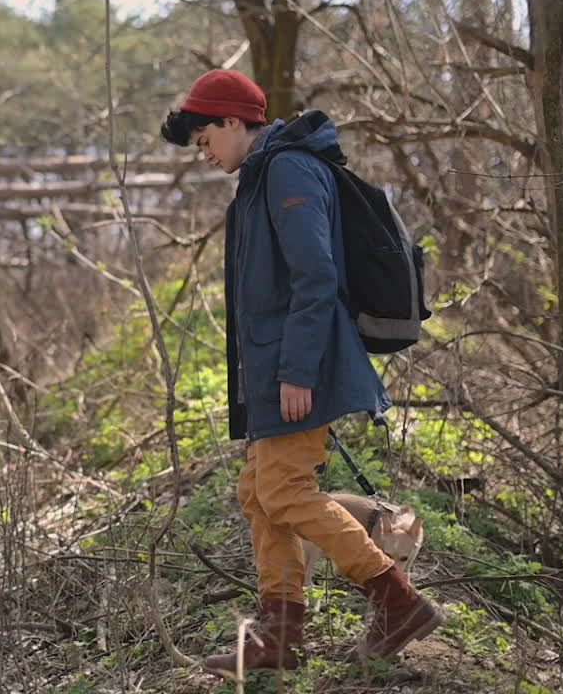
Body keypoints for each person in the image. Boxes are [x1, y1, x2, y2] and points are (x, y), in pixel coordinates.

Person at [158, 69, 443, 673]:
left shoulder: (287, 170)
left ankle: (399, 601)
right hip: (275, 371)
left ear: (234, 121)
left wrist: (296, 371)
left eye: (205, 137)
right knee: (260, 496)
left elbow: (316, 279)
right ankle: (279, 638)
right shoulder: (261, 179)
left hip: (299, 368)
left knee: (285, 491)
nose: (203, 152)